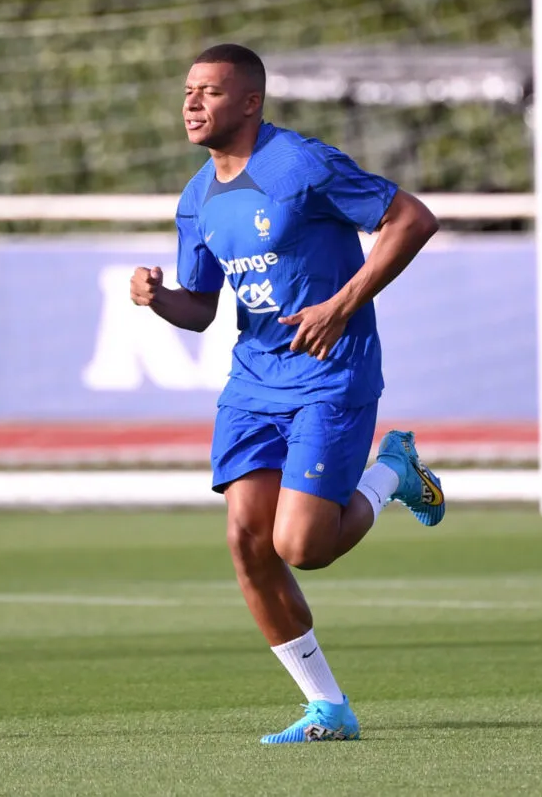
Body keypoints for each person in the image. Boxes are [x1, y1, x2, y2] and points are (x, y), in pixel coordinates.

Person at [131, 43, 444, 744]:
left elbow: (412, 219)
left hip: (333, 374)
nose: (191, 103)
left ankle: (394, 470)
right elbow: (202, 308)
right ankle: (327, 708)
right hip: (253, 383)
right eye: (187, 90)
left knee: (302, 546)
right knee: (248, 541)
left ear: (249, 102)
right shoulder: (196, 197)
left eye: (209, 91)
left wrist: (342, 303)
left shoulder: (302, 165)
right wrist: (158, 300)